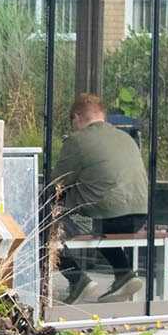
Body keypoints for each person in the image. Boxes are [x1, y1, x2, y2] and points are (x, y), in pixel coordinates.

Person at [49, 92, 150, 304]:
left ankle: (77, 279)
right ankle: (123, 273)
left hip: (105, 217)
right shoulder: (126, 138)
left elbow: (56, 184)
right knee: (104, 218)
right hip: (139, 216)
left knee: (44, 222)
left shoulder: (77, 141)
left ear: (77, 117)